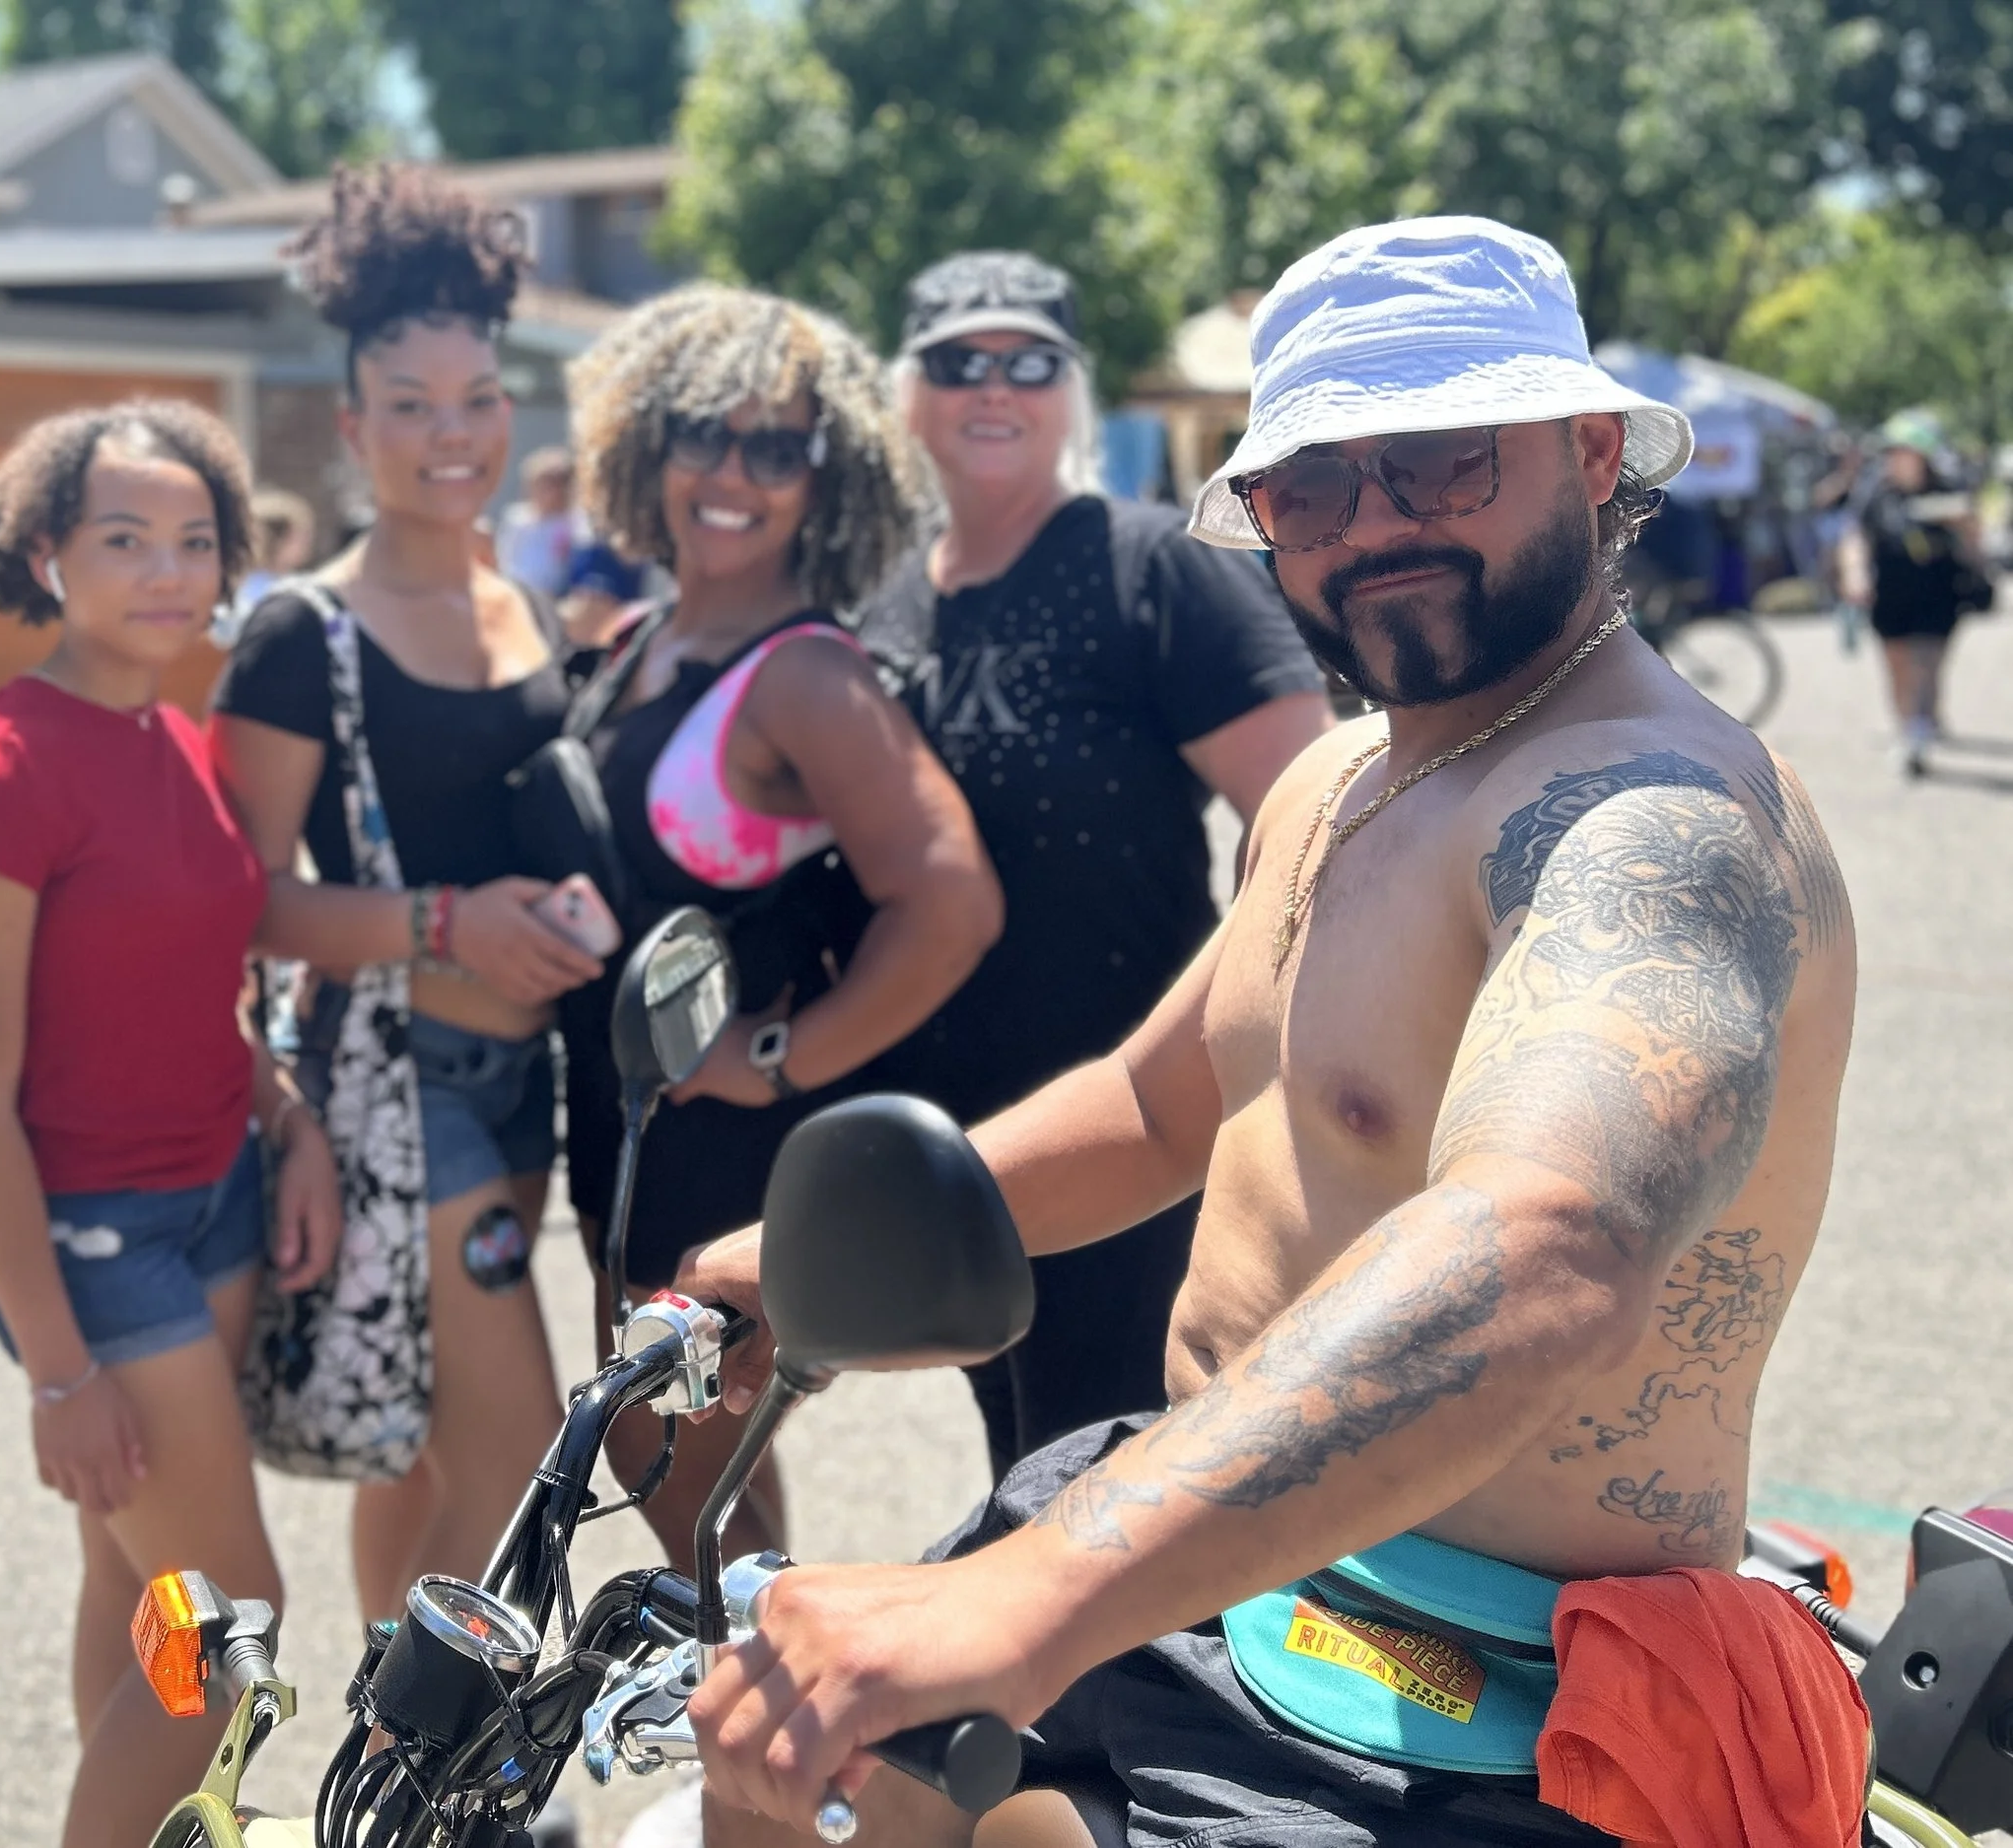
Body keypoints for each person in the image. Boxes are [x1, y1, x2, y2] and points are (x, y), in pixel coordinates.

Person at [678, 218, 1860, 1847]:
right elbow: (1164, 1108)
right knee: (762, 1769)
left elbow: (1548, 1241)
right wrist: (790, 1267)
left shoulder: (1659, 816)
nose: (1376, 522)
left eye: (1442, 458)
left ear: (1594, 453)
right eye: (1313, 483)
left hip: (1463, 1692)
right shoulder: (1336, 781)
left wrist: (1030, 1597)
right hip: (1187, 1543)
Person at [0, 400, 341, 1848]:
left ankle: (168, 1827)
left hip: (213, 1196)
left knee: (144, 1590)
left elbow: (192, 987)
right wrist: (53, 1370)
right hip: (97, 1242)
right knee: (234, 1628)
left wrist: (288, 1117)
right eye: (123, 538)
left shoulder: (173, 732)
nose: (167, 570)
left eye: (195, 540)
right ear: (46, 552)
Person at [862, 250, 1334, 1481]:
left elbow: (1320, 823)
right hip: (961, 1150)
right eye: (959, 363)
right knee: (1020, 1472)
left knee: (1116, 1502)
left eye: (1030, 362)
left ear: (1072, 391)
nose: (993, 389)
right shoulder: (888, 608)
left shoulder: (1151, 569)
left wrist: (1258, 1075)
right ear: (908, 393)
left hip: (1132, 1146)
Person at [210, 164, 601, 1621]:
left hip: (524, 1082)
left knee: (420, 1460)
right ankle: (504, 1795)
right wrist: (449, 918)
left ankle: (396, 1766)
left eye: (480, 396)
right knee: (513, 1457)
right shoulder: (299, 639)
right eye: (415, 404)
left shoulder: (532, 608)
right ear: (353, 424)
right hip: (399, 1084)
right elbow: (239, 899)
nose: (456, 433)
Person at [560, 283, 1004, 1569]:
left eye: (777, 445)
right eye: (705, 431)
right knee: (691, 1490)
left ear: (830, 472)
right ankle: (747, 1757)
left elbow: (949, 901)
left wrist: (776, 1056)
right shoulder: (648, 639)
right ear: (651, 441)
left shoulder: (807, 671)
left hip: (716, 1163)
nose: (734, 473)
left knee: (684, 1485)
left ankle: (776, 1755)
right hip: (621, 1138)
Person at [1839, 411, 1985, 778]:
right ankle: (1910, 727)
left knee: (1927, 663)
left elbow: (1974, 536)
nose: (1895, 459)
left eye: (1904, 452)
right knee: (1898, 664)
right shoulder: (1875, 490)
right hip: (1891, 590)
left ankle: (1918, 728)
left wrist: (1962, 524)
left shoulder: (1948, 485)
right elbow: (1855, 535)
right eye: (1892, 452)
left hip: (1940, 590)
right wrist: (1855, 574)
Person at [497, 444, 578, 594]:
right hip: (516, 593)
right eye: (543, 484)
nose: (550, 492)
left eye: (557, 484)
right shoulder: (516, 518)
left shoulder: (574, 522)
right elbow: (504, 559)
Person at [233, 484, 318, 620]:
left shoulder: (297, 583)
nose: (308, 543)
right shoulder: (254, 589)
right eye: (301, 535)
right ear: (277, 539)